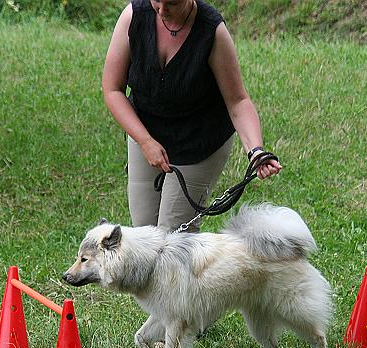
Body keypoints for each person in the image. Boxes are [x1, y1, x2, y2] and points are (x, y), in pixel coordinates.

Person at [102, 0, 282, 232]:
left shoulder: (212, 31)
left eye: (173, 3)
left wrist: (256, 151)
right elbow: (112, 89)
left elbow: (238, 101)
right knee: (143, 237)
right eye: (157, 0)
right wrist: (145, 141)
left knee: (175, 239)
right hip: (145, 130)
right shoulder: (133, 16)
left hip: (199, 140)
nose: (163, 10)